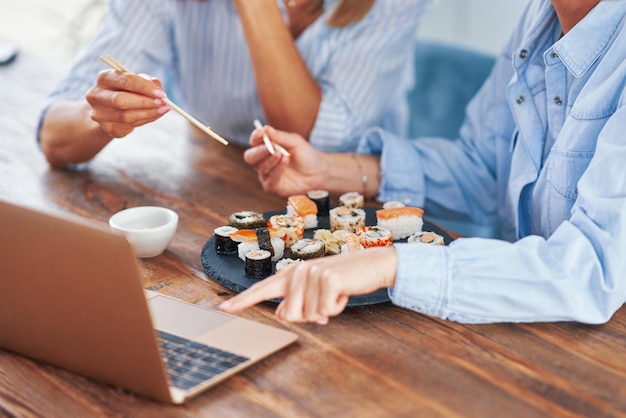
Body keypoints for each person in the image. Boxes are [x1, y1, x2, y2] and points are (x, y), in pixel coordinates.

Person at [219, 0, 626, 325]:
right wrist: (332, 170)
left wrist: (388, 264)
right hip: (536, 328)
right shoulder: (541, 18)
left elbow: (593, 269)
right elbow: (482, 170)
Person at [37, 0, 433, 169]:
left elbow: (311, 142)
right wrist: (105, 115)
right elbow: (53, 138)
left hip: (354, 207)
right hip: (217, 183)